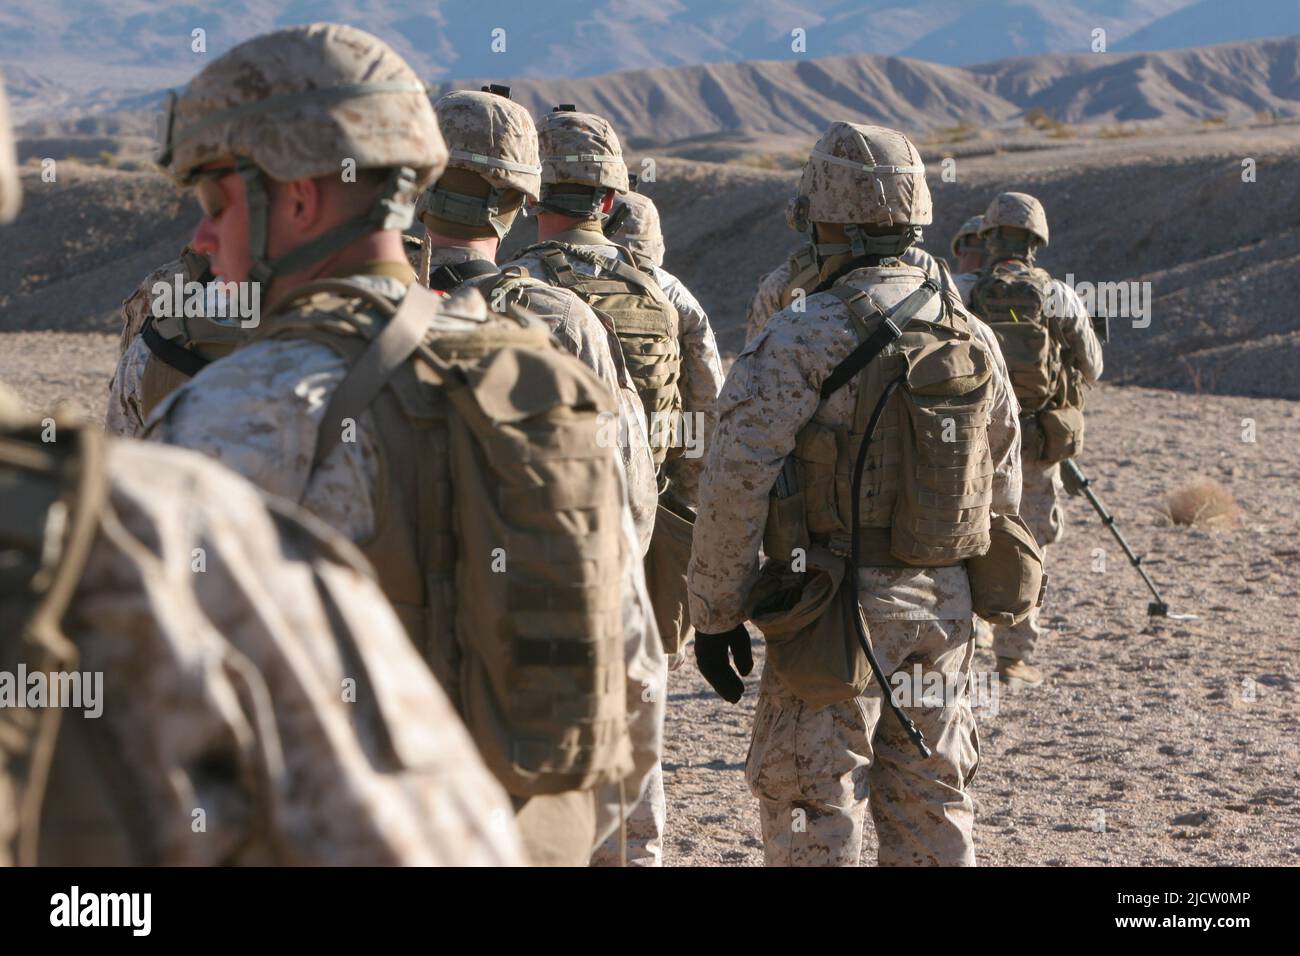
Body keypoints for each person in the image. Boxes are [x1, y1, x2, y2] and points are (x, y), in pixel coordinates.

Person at [144, 24, 663, 865]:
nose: (204, 238)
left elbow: (162, 753)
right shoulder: (552, 387)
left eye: (216, 204)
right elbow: (632, 695)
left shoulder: (229, 417)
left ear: (300, 199)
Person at [0, 80, 523, 865]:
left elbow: (129, 413)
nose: (208, 237)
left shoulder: (169, 329)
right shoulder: (150, 526)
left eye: (218, 207)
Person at [688, 122, 1023, 867]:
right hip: (944, 611)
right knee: (934, 806)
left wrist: (714, 615)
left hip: (829, 611)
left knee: (813, 808)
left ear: (826, 216)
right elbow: (1003, 484)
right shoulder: (969, 329)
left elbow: (735, 485)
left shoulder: (799, 333)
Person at [964, 192, 1104, 688]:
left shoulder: (963, 288)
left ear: (988, 236)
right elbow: (1093, 365)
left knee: (958, 535)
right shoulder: (1056, 294)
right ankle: (1014, 658)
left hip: (968, 439)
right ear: (1035, 242)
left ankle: (959, 645)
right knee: (1029, 541)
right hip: (1033, 440)